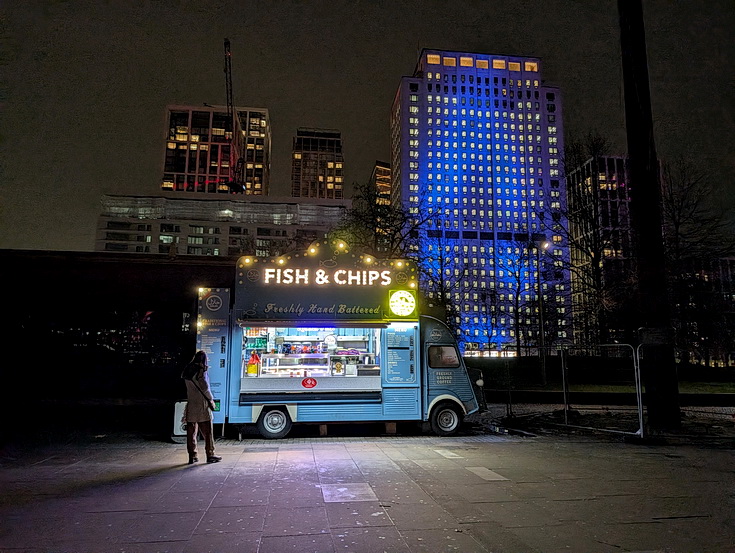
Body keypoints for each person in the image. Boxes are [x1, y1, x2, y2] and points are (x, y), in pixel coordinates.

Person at [182, 350, 222, 464]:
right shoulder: (201, 372)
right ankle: (210, 454)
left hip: (191, 404)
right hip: (202, 405)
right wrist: (211, 399)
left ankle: (192, 455)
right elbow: (205, 388)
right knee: (208, 432)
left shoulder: (187, 371)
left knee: (191, 433)